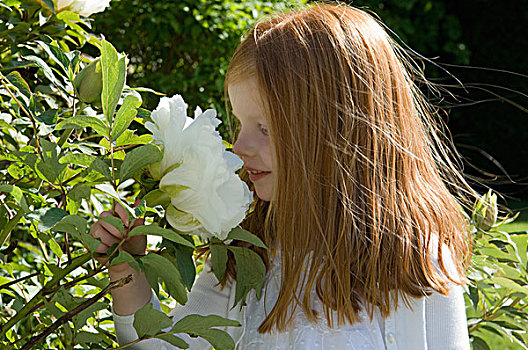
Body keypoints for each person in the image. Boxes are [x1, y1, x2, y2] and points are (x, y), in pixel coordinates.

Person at [90, 3, 474, 349]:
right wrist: (127, 272)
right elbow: (170, 345)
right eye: (240, 123)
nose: (239, 146)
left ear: (340, 132)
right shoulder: (247, 253)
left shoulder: (417, 264)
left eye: (266, 129)